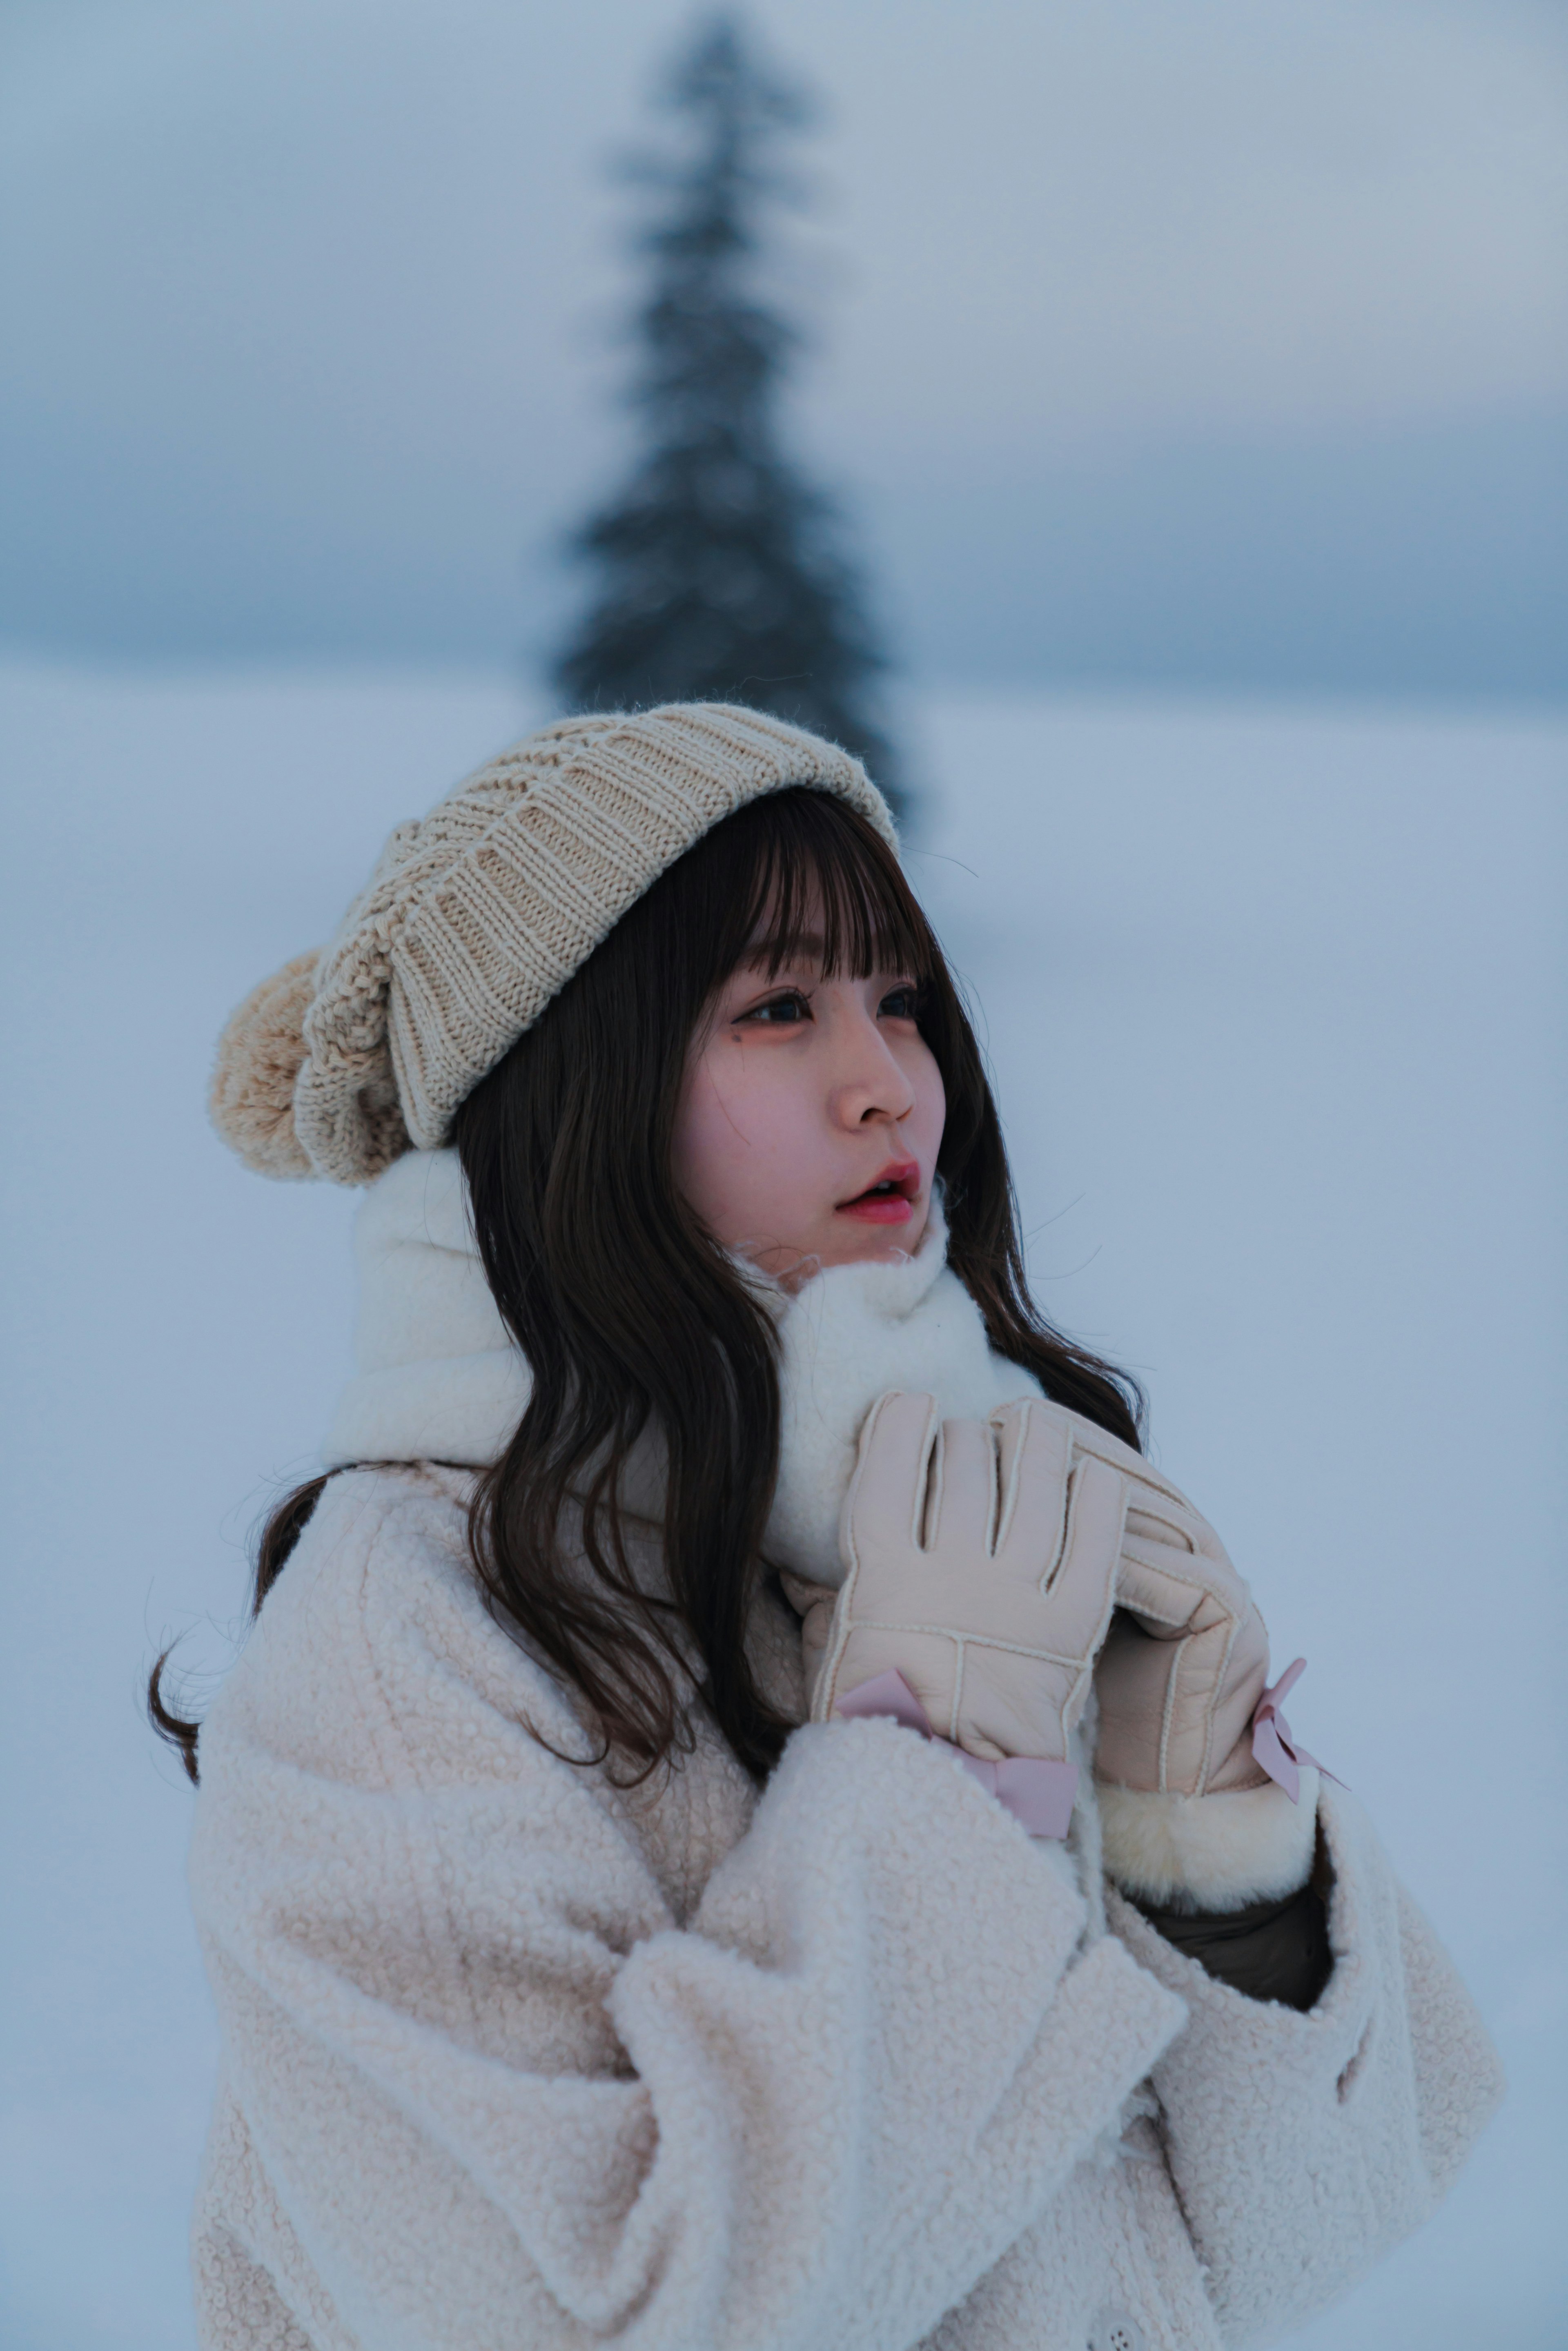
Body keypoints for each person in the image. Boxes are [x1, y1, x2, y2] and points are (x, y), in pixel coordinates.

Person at [157, 703, 1501, 2351]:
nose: (889, 1088)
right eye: (779, 1007)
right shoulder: (402, 1651)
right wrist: (939, 1776)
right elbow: (587, 2317)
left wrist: (1207, 1849)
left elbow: (1273, 2254)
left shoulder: (929, 1527)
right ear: (571, 1084)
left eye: (901, 1001)